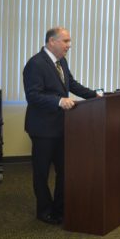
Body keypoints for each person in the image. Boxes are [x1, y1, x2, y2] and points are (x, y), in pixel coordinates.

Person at [23, 27, 99, 225]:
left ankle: (60, 208)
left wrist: (96, 96)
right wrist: (58, 101)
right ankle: (44, 211)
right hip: (42, 129)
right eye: (65, 41)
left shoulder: (61, 62)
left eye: (69, 41)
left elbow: (71, 84)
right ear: (51, 42)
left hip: (61, 127)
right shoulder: (35, 64)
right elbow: (33, 96)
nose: (69, 45)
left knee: (64, 170)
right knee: (41, 172)